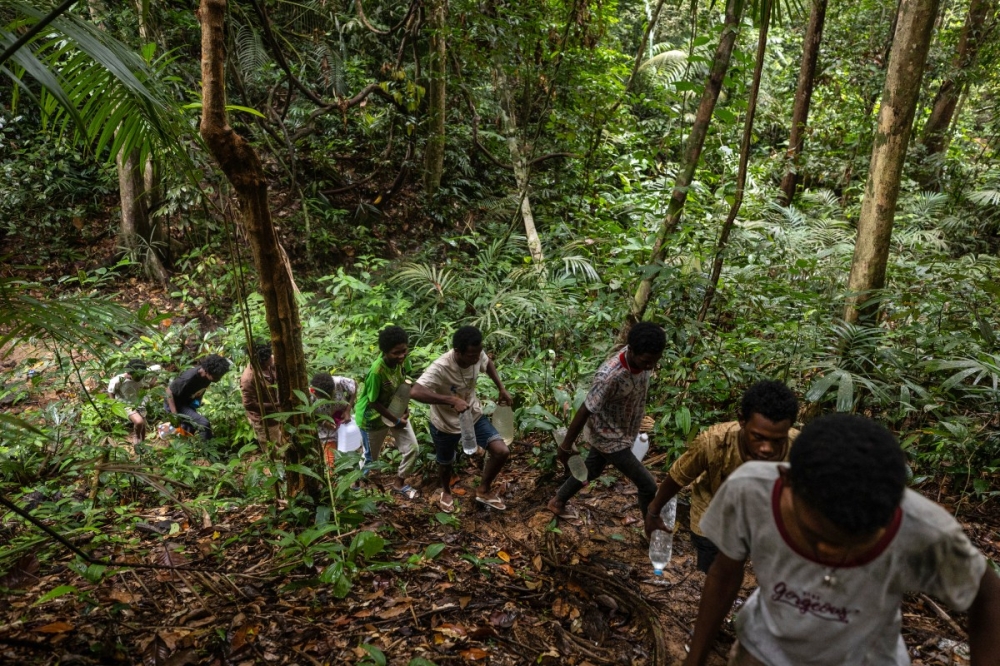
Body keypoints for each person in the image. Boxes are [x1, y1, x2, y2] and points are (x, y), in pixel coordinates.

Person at [683, 413, 1000, 666]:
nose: (830, 552)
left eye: (855, 542)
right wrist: (694, 659)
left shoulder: (925, 530)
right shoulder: (749, 491)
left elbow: (988, 596)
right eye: (817, 536)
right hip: (764, 649)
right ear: (787, 480)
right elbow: (724, 574)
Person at [643, 380, 799, 572]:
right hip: (712, 511)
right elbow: (679, 477)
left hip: (764, 513)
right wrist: (654, 510)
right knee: (713, 569)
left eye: (777, 441)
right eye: (758, 437)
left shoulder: (798, 447)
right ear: (742, 420)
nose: (767, 449)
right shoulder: (714, 442)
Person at [547, 321, 666, 521]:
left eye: (654, 361)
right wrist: (566, 445)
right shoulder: (610, 376)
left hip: (623, 430)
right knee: (648, 485)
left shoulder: (645, 357)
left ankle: (558, 501)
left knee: (591, 469)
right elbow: (586, 408)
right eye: (646, 361)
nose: (650, 366)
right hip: (609, 438)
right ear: (632, 351)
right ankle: (650, 530)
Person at [411, 326, 513, 513]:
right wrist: (450, 400)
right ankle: (446, 491)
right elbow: (415, 391)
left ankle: (483, 490)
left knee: (501, 451)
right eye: (471, 356)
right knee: (446, 461)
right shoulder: (441, 367)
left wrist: (501, 387)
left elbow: (487, 362)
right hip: (445, 423)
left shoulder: (477, 354)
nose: (476, 359)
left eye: (477, 354)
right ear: (457, 351)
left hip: (472, 415)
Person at [355, 326, 421, 499]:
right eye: (395, 353)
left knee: (412, 448)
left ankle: (399, 484)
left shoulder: (403, 362)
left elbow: (403, 386)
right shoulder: (377, 371)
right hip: (373, 419)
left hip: (396, 412)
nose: (401, 356)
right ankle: (355, 485)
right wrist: (397, 421)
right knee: (371, 459)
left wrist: (404, 412)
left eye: (404, 351)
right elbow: (373, 402)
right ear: (385, 352)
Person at [164, 354, 230, 440]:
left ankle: (187, 445)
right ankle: (207, 450)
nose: (218, 379)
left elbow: (201, 390)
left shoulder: (208, 376)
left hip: (186, 402)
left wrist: (196, 402)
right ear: (207, 371)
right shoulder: (189, 377)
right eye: (217, 377)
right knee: (204, 424)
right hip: (175, 404)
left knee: (189, 428)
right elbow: (169, 391)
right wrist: (174, 414)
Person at [310, 372, 357, 470]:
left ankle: (350, 474)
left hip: (343, 423)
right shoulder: (310, 394)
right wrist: (324, 422)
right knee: (330, 459)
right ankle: (332, 479)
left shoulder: (338, 382)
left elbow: (354, 387)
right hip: (325, 431)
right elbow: (309, 413)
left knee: (348, 453)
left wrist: (348, 410)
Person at [107, 359, 160, 444]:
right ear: (129, 373)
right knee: (139, 422)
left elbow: (158, 368)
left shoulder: (145, 373)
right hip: (124, 402)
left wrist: (151, 384)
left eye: (141, 376)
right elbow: (111, 391)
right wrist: (114, 405)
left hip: (139, 401)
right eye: (137, 376)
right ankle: (136, 436)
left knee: (143, 426)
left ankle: (141, 444)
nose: (139, 378)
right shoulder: (119, 380)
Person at [240, 341, 281, 444]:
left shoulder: (270, 362)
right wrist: (275, 405)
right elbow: (249, 404)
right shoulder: (249, 378)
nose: (272, 358)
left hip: (279, 415)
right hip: (265, 421)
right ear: (260, 362)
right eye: (268, 359)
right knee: (274, 449)